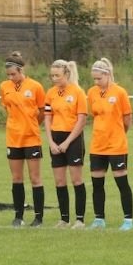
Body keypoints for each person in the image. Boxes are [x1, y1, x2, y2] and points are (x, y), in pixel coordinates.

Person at [87, 58, 133, 231]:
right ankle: (99, 218)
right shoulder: (92, 92)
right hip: (97, 145)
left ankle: (128, 220)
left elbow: (127, 119)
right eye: (94, 79)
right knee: (97, 183)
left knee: (121, 182)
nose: (96, 82)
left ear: (107, 75)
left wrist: (119, 134)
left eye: (99, 78)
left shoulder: (120, 92)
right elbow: (95, 115)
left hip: (116, 145)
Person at [0, 51, 46, 227]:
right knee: (17, 178)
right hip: (13, 138)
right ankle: (18, 216)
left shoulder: (35, 86)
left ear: (21, 70)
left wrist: (31, 124)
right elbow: (8, 109)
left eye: (14, 74)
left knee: (35, 178)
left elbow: (42, 111)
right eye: (8, 75)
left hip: (32, 138)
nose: (11, 77)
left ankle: (38, 218)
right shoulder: (4, 87)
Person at [44, 59, 88, 229]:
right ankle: (64, 219)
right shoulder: (51, 93)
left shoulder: (78, 92)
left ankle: (79, 219)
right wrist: (51, 141)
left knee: (76, 179)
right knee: (59, 181)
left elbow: (82, 120)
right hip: (56, 138)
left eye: (57, 75)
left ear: (67, 74)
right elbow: (47, 118)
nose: (54, 78)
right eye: (52, 75)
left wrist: (68, 142)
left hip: (74, 139)